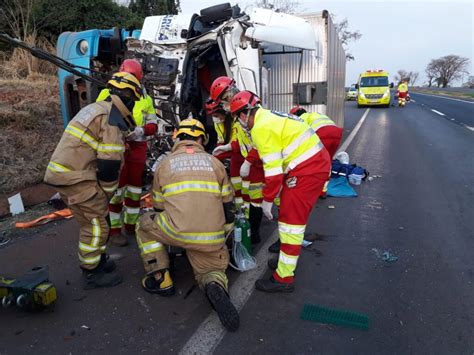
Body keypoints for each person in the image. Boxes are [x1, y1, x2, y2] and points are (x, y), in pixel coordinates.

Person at [135, 118, 239, 331]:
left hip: (177, 230)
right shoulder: (216, 163)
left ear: (177, 137)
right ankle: (214, 283)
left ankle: (161, 277)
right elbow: (228, 205)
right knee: (210, 269)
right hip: (211, 236)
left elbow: (159, 206)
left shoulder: (164, 165)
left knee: (144, 224)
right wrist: (226, 232)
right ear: (202, 138)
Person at [44, 72, 142, 289]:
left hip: (70, 173)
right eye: (133, 100)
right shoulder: (111, 118)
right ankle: (91, 272)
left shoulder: (98, 109)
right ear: (127, 97)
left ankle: (99, 258)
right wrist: (107, 192)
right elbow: (109, 164)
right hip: (76, 176)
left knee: (98, 220)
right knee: (96, 224)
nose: (133, 105)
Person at [229, 91, 331, 293]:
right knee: (287, 217)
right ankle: (286, 262)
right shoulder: (267, 117)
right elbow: (265, 146)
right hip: (312, 165)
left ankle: (284, 278)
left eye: (237, 117)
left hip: (307, 170)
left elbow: (273, 172)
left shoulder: (260, 127)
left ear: (243, 114)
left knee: (290, 223)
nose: (239, 122)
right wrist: (249, 161)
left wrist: (267, 200)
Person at [97, 59, 158, 246]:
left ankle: (131, 226)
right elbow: (100, 119)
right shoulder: (106, 93)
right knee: (116, 190)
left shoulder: (145, 98)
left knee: (134, 189)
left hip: (137, 148)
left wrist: (141, 130)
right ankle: (115, 231)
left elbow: (153, 125)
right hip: (116, 146)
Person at [210, 77, 264, 244]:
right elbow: (240, 140)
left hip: (257, 163)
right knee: (245, 199)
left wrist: (248, 161)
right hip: (248, 161)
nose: (224, 104)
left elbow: (258, 141)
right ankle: (247, 228)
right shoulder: (237, 114)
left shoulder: (248, 109)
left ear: (230, 92)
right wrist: (227, 148)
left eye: (224, 99)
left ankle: (254, 232)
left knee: (256, 199)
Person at [289, 106, 343, 199]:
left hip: (322, 134)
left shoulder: (300, 119)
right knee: (327, 161)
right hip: (336, 133)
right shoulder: (314, 115)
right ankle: (323, 191)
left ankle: (311, 187)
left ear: (295, 115)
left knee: (314, 162)